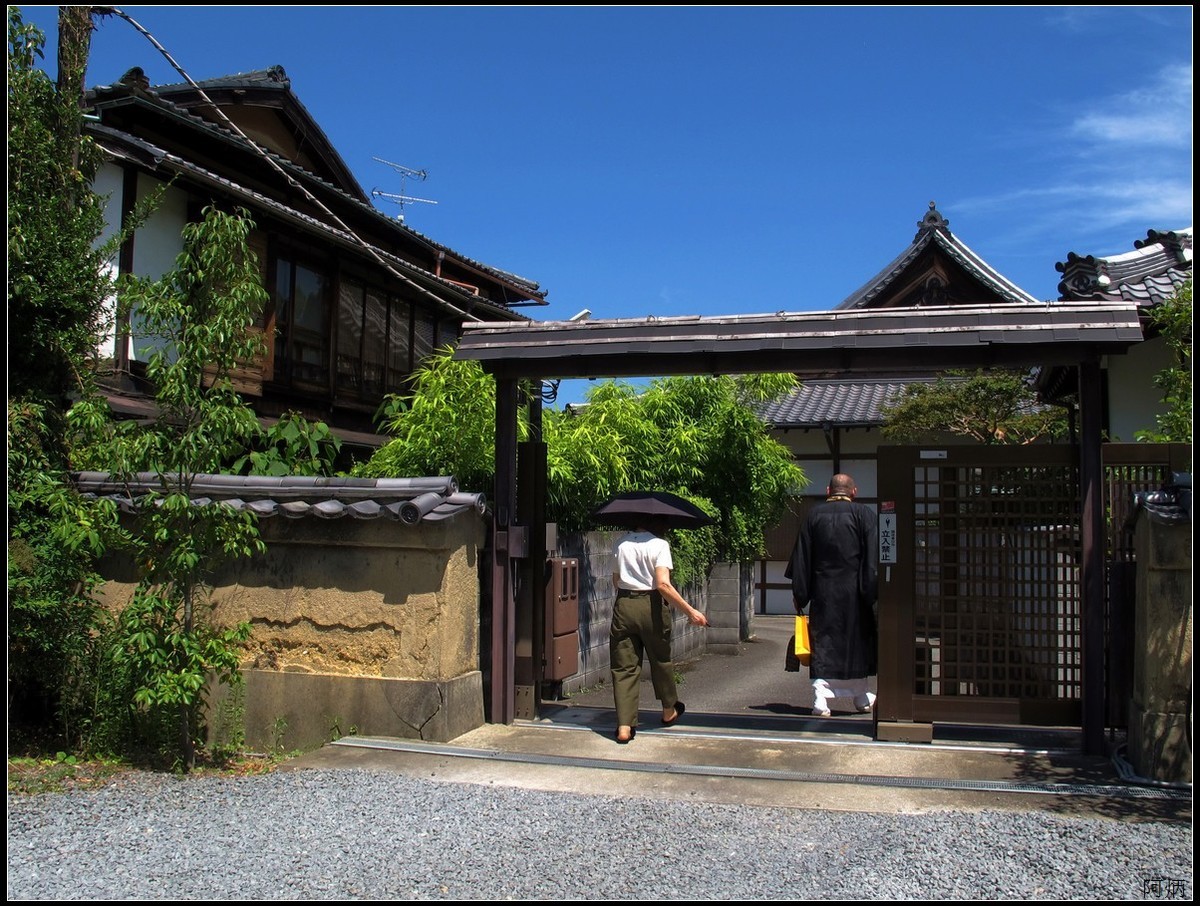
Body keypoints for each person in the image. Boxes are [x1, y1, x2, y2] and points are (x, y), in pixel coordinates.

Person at [785, 473, 879, 717]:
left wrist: (800, 593)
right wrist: (871, 592)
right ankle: (860, 697)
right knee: (855, 645)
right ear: (854, 491)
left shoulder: (813, 516)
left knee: (823, 643)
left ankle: (821, 701)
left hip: (823, 594)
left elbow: (802, 558)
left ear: (828, 490)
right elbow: (872, 561)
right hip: (856, 595)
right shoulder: (865, 516)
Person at [610, 517, 709, 743]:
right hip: (652, 606)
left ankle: (624, 727)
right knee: (660, 660)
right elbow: (663, 584)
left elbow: (616, 581)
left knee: (624, 666)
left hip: (624, 605)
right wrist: (691, 611)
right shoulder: (659, 545)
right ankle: (668, 710)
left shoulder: (620, 543)